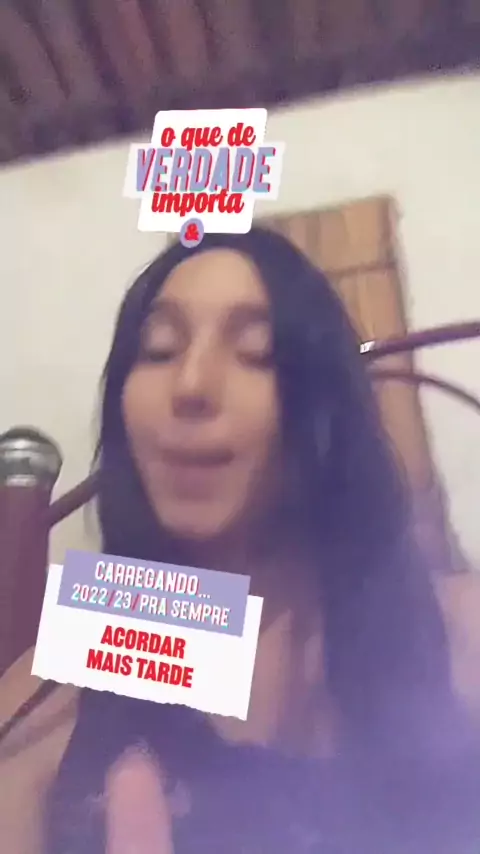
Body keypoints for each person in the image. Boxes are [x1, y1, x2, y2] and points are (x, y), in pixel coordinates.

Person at [1, 228, 480, 854]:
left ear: (325, 406)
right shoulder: (44, 702)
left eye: (258, 353)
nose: (190, 385)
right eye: (158, 350)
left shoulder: (460, 630)